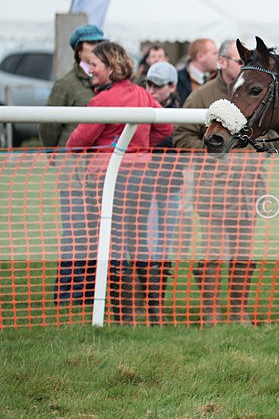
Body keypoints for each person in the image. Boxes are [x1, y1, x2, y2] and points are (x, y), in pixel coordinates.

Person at [65, 42, 173, 324]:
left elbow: (77, 142)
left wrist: (114, 146)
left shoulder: (102, 100)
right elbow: (165, 127)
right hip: (141, 178)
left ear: (111, 68)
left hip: (109, 179)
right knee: (139, 244)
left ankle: (123, 317)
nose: (90, 70)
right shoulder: (142, 94)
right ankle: (154, 314)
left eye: (95, 65)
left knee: (112, 245)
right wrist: (140, 146)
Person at [173, 39, 263, 325]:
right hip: (212, 191)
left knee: (243, 256)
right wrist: (211, 151)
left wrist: (254, 150)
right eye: (239, 61)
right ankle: (210, 313)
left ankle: (238, 312)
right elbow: (181, 135)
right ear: (222, 62)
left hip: (248, 190)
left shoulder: (257, 93)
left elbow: (270, 134)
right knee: (211, 255)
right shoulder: (202, 96)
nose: (245, 66)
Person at [41, 24, 108, 305]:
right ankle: (66, 292)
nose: (97, 47)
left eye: (100, 42)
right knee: (75, 233)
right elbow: (48, 126)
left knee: (96, 233)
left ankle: (89, 293)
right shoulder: (67, 84)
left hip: (100, 171)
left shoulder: (106, 81)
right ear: (79, 50)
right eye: (91, 44)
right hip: (73, 170)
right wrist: (57, 157)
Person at [143, 61, 183, 307]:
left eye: (157, 86)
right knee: (148, 247)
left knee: (164, 247)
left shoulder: (181, 113)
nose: (152, 90)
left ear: (172, 86)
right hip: (144, 188)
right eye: (149, 84)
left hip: (170, 187)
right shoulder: (140, 109)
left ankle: (156, 303)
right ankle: (143, 302)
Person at [176, 38, 218, 106]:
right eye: (214, 53)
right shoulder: (178, 79)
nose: (218, 57)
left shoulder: (219, 76)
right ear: (200, 56)